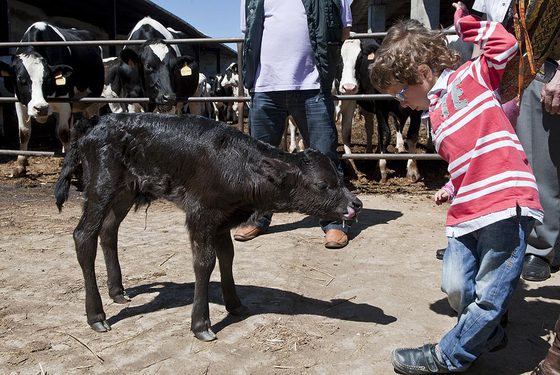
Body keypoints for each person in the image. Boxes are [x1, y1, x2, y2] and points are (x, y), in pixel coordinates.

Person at [369, 2, 543, 373]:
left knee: (488, 298)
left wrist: (468, 23)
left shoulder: (471, 77)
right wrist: (451, 185)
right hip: (468, 207)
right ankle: (487, 335)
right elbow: (467, 156)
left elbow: (506, 47)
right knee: (456, 287)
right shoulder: (435, 115)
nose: (400, 102)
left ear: (422, 72)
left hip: (505, 199)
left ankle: (448, 355)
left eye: (400, 92)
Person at [236, 0, 353, 249]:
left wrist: (324, 68)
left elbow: (344, 32)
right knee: (261, 160)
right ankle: (259, 216)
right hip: (265, 86)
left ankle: (333, 221)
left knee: (324, 157)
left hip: (312, 86)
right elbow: (249, 35)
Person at [471, 0, 560, 281]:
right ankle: (481, 238)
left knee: (541, 160)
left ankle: (541, 246)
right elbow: (485, 24)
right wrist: (475, 74)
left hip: (546, 68)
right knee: (499, 156)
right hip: (504, 69)